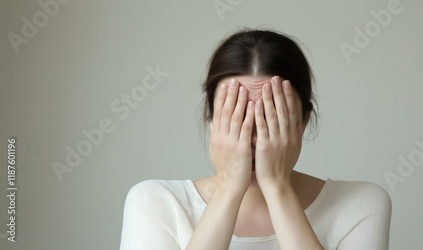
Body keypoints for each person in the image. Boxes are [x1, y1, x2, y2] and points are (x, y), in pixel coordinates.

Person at [120, 28, 392, 250]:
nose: (252, 140)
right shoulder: (156, 202)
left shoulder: (361, 204)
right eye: (236, 118)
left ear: (303, 122)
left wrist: (277, 187)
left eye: (271, 117)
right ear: (213, 120)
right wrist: (228, 188)